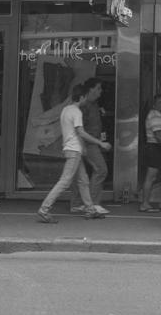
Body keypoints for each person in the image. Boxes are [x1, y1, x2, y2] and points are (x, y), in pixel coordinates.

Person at [35, 83, 111, 223]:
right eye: (85, 97)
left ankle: (90, 209)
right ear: (82, 97)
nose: (86, 99)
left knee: (83, 180)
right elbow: (80, 132)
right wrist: (100, 143)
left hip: (71, 149)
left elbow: (72, 132)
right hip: (74, 150)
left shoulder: (66, 110)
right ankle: (44, 209)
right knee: (65, 181)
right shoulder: (76, 112)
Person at [69, 78, 110, 216]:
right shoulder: (85, 106)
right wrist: (85, 145)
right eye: (98, 88)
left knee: (80, 174)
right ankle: (92, 204)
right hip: (88, 143)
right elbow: (80, 128)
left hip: (91, 142)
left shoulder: (94, 104)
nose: (101, 91)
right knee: (101, 169)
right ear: (90, 90)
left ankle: (77, 204)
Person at [140, 94, 161, 213]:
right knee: (151, 177)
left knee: (153, 177)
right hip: (154, 148)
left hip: (155, 148)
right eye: (159, 102)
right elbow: (159, 136)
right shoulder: (154, 115)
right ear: (154, 104)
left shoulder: (158, 115)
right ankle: (145, 204)